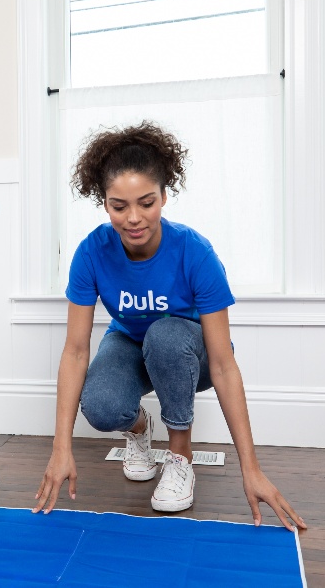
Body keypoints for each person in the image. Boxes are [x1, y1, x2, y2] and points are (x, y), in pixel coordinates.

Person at [32, 121, 306, 532]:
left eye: (146, 202)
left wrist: (251, 468)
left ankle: (180, 457)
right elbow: (75, 351)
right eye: (119, 206)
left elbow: (224, 363)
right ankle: (140, 428)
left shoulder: (194, 252)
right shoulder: (91, 253)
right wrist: (60, 449)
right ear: (104, 204)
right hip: (128, 343)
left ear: (164, 195)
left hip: (186, 352)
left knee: (165, 335)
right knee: (102, 405)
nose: (134, 218)